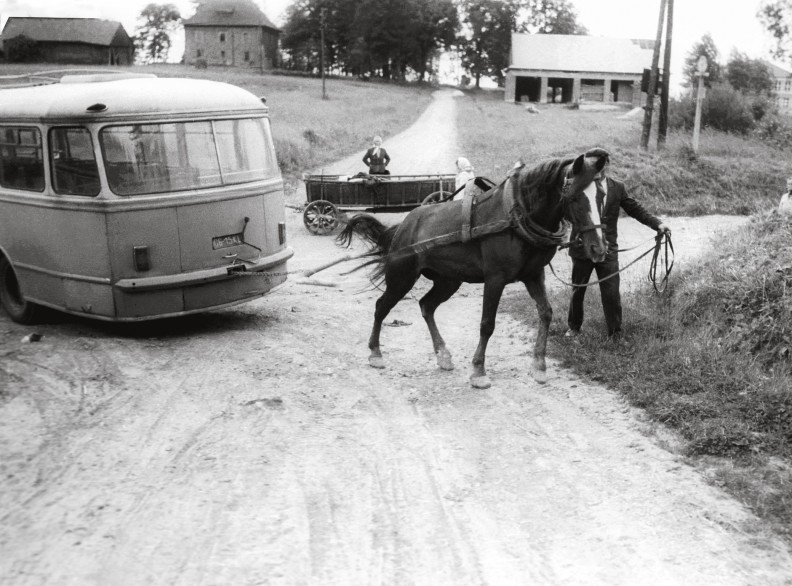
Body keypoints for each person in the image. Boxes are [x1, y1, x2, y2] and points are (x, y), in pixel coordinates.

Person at [566, 148, 671, 341]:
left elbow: (635, 209)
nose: (592, 169)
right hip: (582, 248)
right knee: (577, 289)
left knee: (612, 293)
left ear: (605, 164)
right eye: (589, 164)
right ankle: (573, 327)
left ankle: (615, 333)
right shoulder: (579, 185)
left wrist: (658, 224)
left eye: (596, 164)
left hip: (608, 249)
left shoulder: (617, 187)